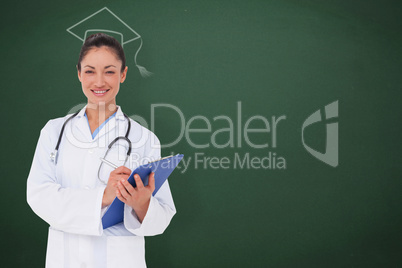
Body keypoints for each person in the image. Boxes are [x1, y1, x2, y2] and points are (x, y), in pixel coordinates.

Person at [27, 33, 176, 268]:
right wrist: (103, 197)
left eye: (109, 71)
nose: (99, 82)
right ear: (78, 73)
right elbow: (38, 196)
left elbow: (163, 217)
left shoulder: (144, 138)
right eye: (89, 71)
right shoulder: (53, 132)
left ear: (123, 74)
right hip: (65, 259)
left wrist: (142, 204)